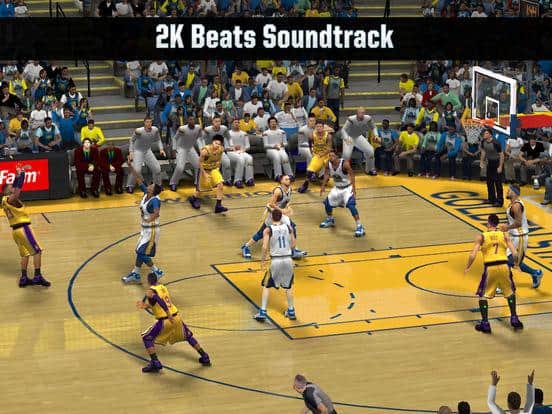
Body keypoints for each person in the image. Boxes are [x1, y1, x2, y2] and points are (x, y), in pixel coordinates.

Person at [137, 272, 211, 373]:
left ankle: (155, 362)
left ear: (148, 281)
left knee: (146, 338)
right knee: (188, 336)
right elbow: (161, 303)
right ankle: (204, 356)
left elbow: (159, 300)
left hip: (166, 319)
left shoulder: (150, 291)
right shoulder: (163, 288)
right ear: (157, 280)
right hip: (177, 317)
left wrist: (168, 313)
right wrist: (148, 306)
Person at [464, 214, 523, 333]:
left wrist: (468, 267)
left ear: (488, 223)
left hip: (490, 267)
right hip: (504, 266)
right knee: (510, 293)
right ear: (497, 224)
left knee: (482, 296)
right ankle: (514, 318)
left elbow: (473, 254)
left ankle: (485, 323)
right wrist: (517, 264)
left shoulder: (482, 236)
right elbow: (515, 253)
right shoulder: (504, 234)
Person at [1, 165, 51, 287]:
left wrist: (17, 175)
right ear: (6, 191)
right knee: (38, 251)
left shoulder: (4, 200)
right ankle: (37, 277)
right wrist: (23, 174)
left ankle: (24, 278)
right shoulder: (10, 199)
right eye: (10, 187)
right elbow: (17, 190)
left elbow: (14, 187)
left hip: (15, 231)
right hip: (24, 228)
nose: (13, 187)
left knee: (25, 253)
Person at [241, 174, 306, 260]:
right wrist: (281, 210)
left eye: (289, 179)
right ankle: (246, 247)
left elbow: (287, 201)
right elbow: (271, 204)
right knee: (261, 233)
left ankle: (293, 249)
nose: (289, 180)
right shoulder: (278, 191)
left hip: (281, 214)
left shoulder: (289, 189)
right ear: (281, 181)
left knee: (292, 227)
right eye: (286, 179)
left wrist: (288, 208)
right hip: (274, 214)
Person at [122, 158, 165, 284]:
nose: (149, 185)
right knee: (139, 252)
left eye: (151, 185)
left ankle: (157, 271)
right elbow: (138, 178)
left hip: (152, 230)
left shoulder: (155, 200)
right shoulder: (147, 193)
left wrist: (149, 219)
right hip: (145, 229)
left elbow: (157, 213)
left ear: (153, 190)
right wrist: (130, 166)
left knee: (141, 253)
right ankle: (136, 273)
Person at [253, 209, 297, 322]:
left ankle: (262, 312)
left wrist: (262, 261)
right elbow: (293, 244)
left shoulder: (268, 230)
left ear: (271, 217)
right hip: (288, 259)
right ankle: (291, 311)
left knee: (266, 285)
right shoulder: (289, 228)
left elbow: (264, 247)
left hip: (276, 260)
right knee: (288, 287)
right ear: (281, 217)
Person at [500, 184, 544, 288]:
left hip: (520, 237)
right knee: (509, 260)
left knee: (510, 261)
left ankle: (505, 284)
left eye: (509, 190)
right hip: (514, 236)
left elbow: (518, 223)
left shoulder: (516, 206)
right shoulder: (512, 204)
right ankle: (535, 273)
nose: (507, 192)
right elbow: (513, 220)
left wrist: (507, 227)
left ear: (514, 193)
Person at [319, 151, 365, 237]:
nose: (330, 157)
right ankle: (330, 219)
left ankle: (359, 226)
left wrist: (354, 188)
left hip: (347, 188)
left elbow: (352, 175)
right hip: (337, 188)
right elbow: (326, 173)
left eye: (333, 155)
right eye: (329, 155)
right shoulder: (328, 163)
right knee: (327, 203)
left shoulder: (345, 164)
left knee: (351, 205)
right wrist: (323, 185)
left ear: (337, 157)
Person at [187, 134, 228, 213]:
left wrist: (218, 168)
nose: (217, 145)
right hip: (204, 170)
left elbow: (219, 159)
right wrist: (205, 174)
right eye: (216, 143)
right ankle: (193, 198)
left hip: (213, 169)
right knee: (200, 191)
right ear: (212, 142)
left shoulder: (221, 149)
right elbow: (200, 163)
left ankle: (218, 206)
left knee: (220, 185)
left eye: (219, 144)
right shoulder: (205, 151)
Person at [127, 116, 165, 193]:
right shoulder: (139, 131)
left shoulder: (155, 130)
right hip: (138, 151)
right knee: (137, 170)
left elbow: (158, 140)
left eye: (150, 122)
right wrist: (131, 152)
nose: (149, 123)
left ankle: (157, 185)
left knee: (157, 169)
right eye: (147, 122)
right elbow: (131, 141)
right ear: (144, 123)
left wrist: (161, 149)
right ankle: (130, 185)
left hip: (147, 151)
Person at [341, 107, 380, 175]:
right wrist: (346, 138)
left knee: (370, 151)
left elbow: (374, 127)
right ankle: (343, 169)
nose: (361, 114)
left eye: (363, 113)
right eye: (360, 113)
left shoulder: (368, 118)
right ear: (357, 113)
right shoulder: (351, 119)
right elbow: (343, 130)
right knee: (346, 155)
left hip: (358, 137)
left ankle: (369, 169)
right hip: (349, 137)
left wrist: (376, 135)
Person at [297, 120, 333, 193]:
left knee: (332, 166)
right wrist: (312, 151)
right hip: (317, 155)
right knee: (310, 170)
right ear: (315, 127)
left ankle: (327, 178)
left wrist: (322, 154)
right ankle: (305, 184)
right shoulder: (312, 135)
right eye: (317, 126)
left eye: (320, 126)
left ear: (323, 127)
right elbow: (310, 143)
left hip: (326, 155)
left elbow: (329, 148)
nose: (319, 128)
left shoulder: (328, 136)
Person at [169, 115, 201, 191]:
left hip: (190, 148)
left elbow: (200, 138)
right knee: (180, 167)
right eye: (190, 119)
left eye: (193, 119)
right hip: (181, 148)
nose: (192, 121)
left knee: (199, 165)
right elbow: (175, 138)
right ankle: (173, 182)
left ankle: (198, 182)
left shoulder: (198, 128)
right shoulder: (182, 129)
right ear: (187, 121)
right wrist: (174, 149)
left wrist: (201, 149)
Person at [262, 116, 294, 181]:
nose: (273, 123)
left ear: (276, 123)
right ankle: (278, 175)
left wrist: (282, 144)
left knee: (285, 156)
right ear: (269, 124)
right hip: (270, 150)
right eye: (271, 122)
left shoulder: (282, 132)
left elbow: (286, 143)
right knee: (276, 157)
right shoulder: (265, 133)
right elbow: (265, 145)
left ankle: (289, 175)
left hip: (281, 149)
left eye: (274, 122)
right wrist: (274, 146)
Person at [226, 119, 254, 188]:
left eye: (238, 122)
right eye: (235, 122)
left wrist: (243, 150)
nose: (237, 124)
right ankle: (237, 180)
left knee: (249, 158)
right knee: (240, 159)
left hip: (242, 151)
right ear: (231, 124)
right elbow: (226, 147)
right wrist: (233, 148)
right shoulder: (228, 133)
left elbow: (248, 146)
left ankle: (249, 179)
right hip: (231, 152)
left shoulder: (244, 133)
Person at [480, 128, 504, 207]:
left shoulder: (496, 143)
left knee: (498, 183)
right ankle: (491, 199)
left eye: (486, 133)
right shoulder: (483, 142)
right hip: (489, 163)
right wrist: (481, 161)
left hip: (497, 163)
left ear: (490, 134)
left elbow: (501, 155)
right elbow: (483, 151)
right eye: (484, 133)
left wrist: (500, 166)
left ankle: (500, 201)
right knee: (489, 182)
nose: (484, 135)